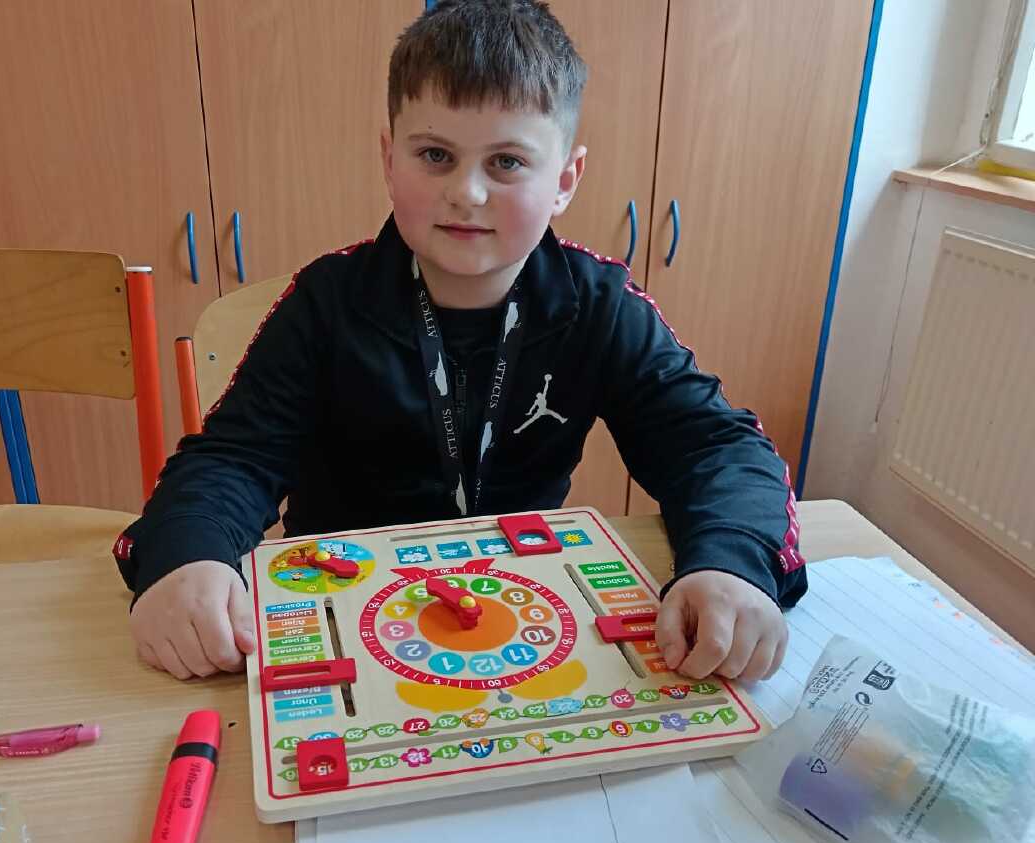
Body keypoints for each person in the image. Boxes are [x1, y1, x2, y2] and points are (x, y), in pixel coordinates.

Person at [114, 0, 806, 684]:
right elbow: (232, 459)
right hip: (341, 614)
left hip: (522, 619)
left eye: (507, 162)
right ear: (390, 160)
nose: (467, 193)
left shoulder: (599, 304)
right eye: (436, 155)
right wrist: (188, 557)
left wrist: (730, 564)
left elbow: (715, 447)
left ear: (564, 181)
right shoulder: (325, 302)